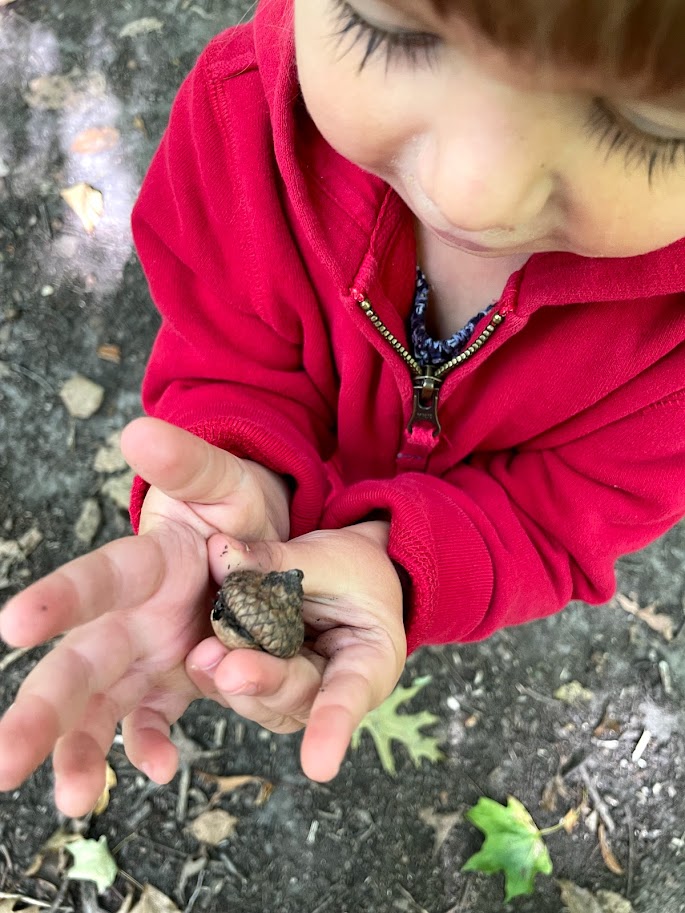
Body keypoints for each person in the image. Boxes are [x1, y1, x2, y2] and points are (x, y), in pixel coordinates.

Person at [1, 0, 684, 819]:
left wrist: (399, 564)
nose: (470, 192)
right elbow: (227, 345)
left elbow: (560, 520)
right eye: (391, 31)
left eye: (643, 125)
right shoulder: (241, 120)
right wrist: (235, 472)